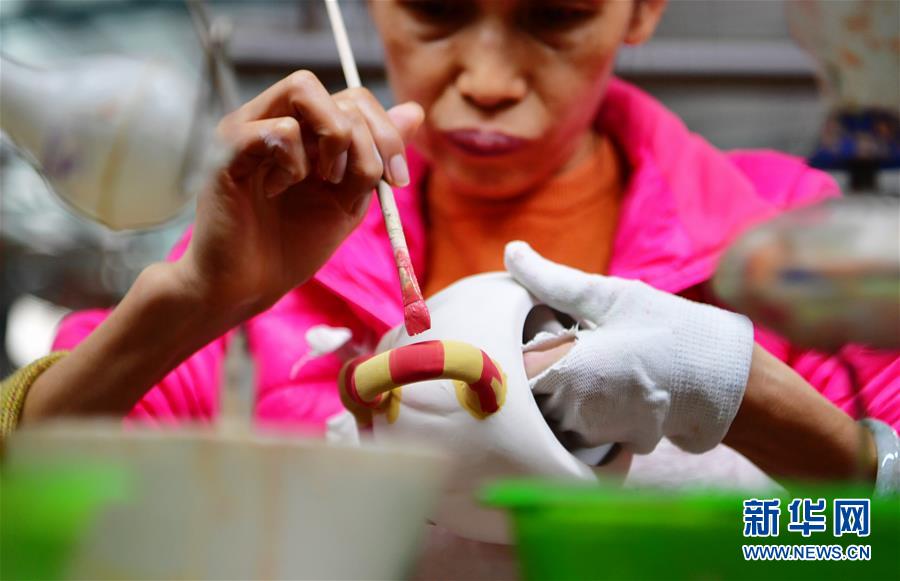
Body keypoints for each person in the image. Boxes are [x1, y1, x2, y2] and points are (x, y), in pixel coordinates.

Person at [2, 0, 897, 490]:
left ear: (642, 9)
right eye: (434, 10)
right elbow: (33, 520)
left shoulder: (790, 245)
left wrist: (755, 416)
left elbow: (867, 542)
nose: (488, 81)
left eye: (556, 16)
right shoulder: (266, 265)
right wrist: (191, 300)